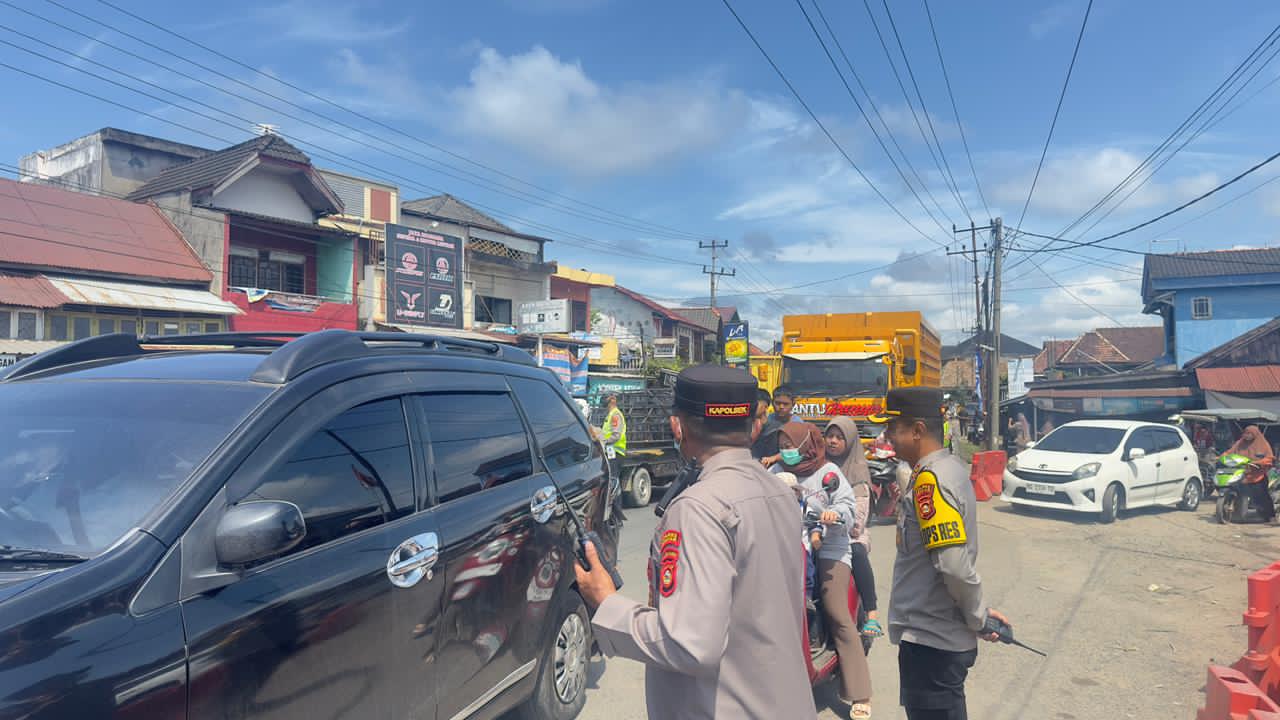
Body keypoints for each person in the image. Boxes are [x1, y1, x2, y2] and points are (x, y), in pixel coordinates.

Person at [575, 365, 816, 720]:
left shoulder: (698, 509)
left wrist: (606, 602)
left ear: (677, 426)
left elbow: (690, 645)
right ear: (755, 426)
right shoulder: (779, 492)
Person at [879, 386, 1010, 720]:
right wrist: (977, 614)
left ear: (918, 430)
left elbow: (953, 566)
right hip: (937, 637)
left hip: (931, 643)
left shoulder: (930, 482)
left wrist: (978, 616)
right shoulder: (947, 469)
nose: (888, 436)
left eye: (894, 428)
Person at [774, 422, 872, 720]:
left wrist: (835, 514)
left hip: (829, 545)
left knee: (836, 611)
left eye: (791, 445)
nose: (786, 451)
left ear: (806, 444)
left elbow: (847, 507)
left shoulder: (828, 473)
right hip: (786, 545)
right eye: (782, 445)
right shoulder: (775, 472)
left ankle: (860, 693)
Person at [825, 417, 882, 641]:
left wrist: (836, 522)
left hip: (848, 534)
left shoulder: (857, 471)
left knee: (857, 552)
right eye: (830, 436)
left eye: (840, 437)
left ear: (849, 441)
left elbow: (858, 520)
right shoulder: (817, 465)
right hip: (818, 531)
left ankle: (871, 613)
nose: (833, 441)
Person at [1224, 425, 1276, 524]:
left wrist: (1260, 462)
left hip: (1257, 476)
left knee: (1263, 496)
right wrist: (1221, 457)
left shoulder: (1263, 444)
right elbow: (1230, 452)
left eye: (1250, 434)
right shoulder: (1240, 443)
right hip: (1242, 473)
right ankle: (1235, 512)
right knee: (1235, 489)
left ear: (1255, 434)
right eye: (1245, 433)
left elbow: (1269, 458)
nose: (1247, 436)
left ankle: (1271, 516)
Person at [761, 385, 804, 467]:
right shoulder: (767, 419)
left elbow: (796, 451)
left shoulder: (797, 424)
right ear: (772, 402)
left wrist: (774, 458)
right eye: (777, 403)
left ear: (793, 404)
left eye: (785, 404)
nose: (781, 407)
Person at [750, 388, 780, 460]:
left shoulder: (775, 429)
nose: (751, 407)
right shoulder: (745, 426)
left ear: (765, 406)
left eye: (755, 404)